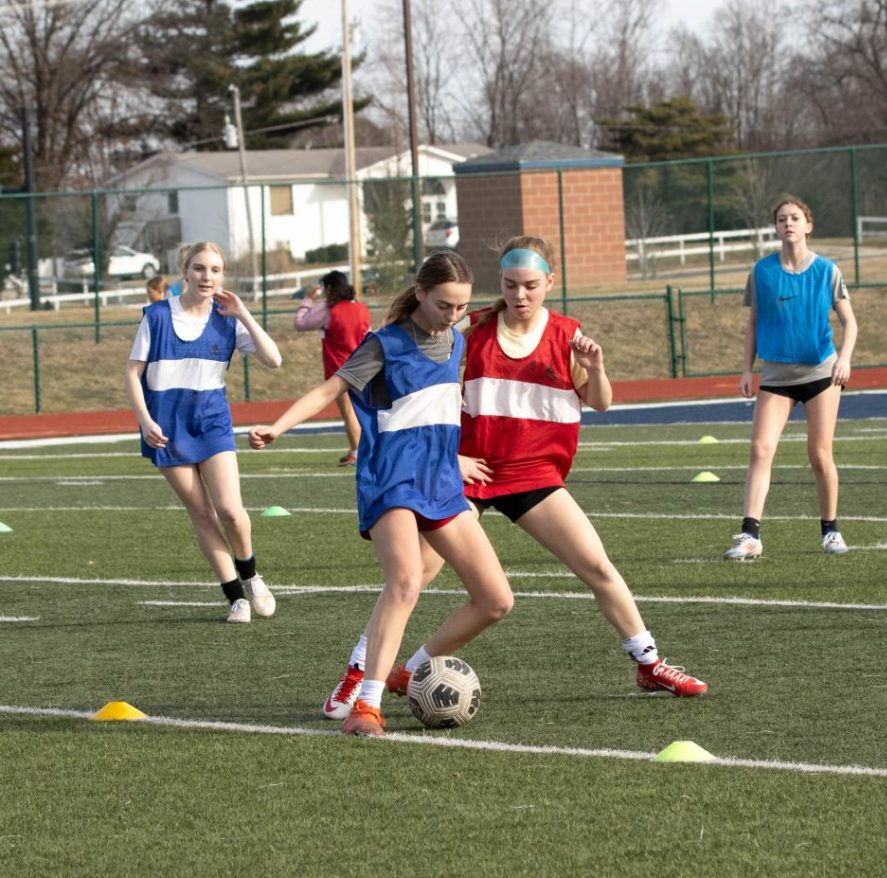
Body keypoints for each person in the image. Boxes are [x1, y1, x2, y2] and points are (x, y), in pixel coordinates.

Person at [321, 236, 706, 721]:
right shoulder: (468, 326)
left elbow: (602, 401)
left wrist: (596, 367)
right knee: (411, 575)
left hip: (533, 473)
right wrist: (449, 457)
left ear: (550, 282)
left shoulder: (569, 335)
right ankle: (359, 672)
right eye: (508, 285)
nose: (519, 295)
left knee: (597, 566)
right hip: (465, 471)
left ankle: (648, 663)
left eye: (529, 285)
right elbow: (419, 391)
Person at [249, 251, 514, 737]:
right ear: (419, 293)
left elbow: (430, 412)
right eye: (442, 305)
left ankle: (406, 671)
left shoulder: (455, 340)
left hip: (440, 482)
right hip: (391, 480)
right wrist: (279, 426)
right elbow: (329, 390)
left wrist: (451, 458)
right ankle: (366, 705)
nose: (451, 315)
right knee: (407, 581)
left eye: (459, 307)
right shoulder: (384, 345)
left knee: (496, 600)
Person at [124, 241, 282, 624]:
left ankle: (252, 575)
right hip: (166, 429)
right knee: (202, 513)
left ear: (223, 275)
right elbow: (132, 373)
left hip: (212, 423)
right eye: (198, 268)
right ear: (185, 271)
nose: (206, 277)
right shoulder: (158, 316)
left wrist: (243, 312)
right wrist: (145, 421)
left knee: (231, 510)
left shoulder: (227, 318)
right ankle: (235, 598)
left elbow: (274, 360)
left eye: (214, 270)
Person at [725, 195, 858, 561]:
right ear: (776, 227)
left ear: (808, 225)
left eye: (795, 218)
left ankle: (830, 530)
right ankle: (750, 534)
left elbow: (850, 322)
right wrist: (746, 370)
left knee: (819, 455)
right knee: (760, 449)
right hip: (776, 376)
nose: (789, 224)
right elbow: (752, 324)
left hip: (820, 373)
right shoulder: (762, 272)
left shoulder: (827, 270)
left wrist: (844, 359)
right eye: (782, 219)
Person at [293, 270, 372, 466]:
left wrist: (308, 299)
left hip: (339, 369)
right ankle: (360, 448)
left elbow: (300, 323)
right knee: (365, 411)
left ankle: (357, 450)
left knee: (348, 411)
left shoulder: (329, 308)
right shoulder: (362, 308)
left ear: (328, 288)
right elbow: (368, 335)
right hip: (365, 365)